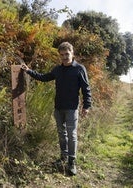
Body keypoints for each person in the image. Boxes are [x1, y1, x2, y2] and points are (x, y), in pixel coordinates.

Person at [21, 42, 91, 176]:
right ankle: (63, 157)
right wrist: (29, 71)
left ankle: (72, 162)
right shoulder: (57, 70)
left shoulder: (79, 69)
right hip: (58, 107)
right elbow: (44, 77)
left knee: (72, 135)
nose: (65, 57)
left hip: (72, 108)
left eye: (67, 54)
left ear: (72, 53)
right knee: (61, 133)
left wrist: (86, 106)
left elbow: (86, 88)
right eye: (62, 55)